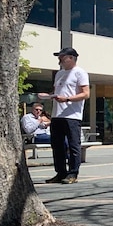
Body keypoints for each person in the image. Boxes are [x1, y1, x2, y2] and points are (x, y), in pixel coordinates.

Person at [40, 47, 90, 184]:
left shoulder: (80, 73)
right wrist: (49, 96)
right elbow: (57, 91)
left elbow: (86, 94)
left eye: (62, 56)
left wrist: (67, 99)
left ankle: (73, 173)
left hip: (72, 115)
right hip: (57, 115)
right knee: (57, 145)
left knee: (73, 145)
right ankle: (60, 172)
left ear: (71, 58)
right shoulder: (59, 74)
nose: (59, 59)